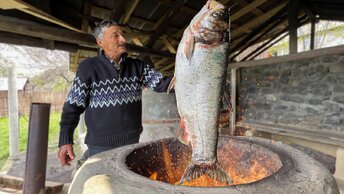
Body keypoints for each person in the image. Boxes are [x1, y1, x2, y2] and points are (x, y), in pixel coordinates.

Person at [57, 20, 172, 166]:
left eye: (122, 35)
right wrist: (65, 140)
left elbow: (164, 84)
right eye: (115, 36)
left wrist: (195, 80)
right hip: (100, 148)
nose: (123, 39)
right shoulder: (88, 68)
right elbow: (72, 108)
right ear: (100, 42)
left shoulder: (138, 67)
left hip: (132, 144)